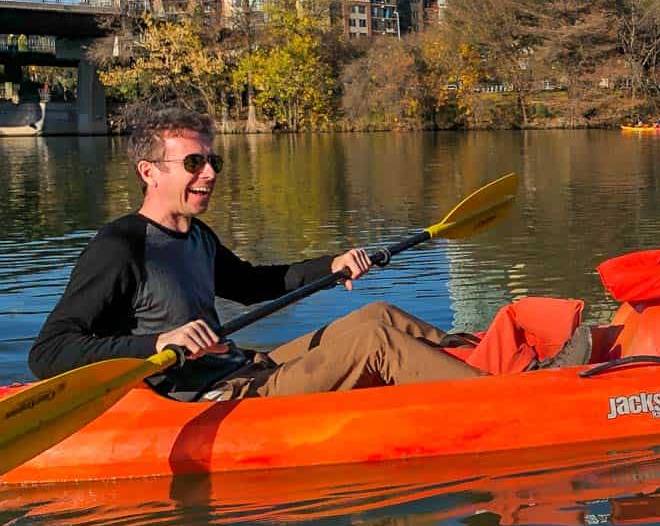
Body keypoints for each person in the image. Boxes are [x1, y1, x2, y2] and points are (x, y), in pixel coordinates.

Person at [28, 106, 485, 399]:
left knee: (377, 317)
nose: (209, 173)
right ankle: (501, 402)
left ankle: (488, 365)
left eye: (212, 162)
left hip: (244, 365)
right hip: (211, 397)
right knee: (375, 345)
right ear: (149, 172)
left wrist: (331, 265)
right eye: (193, 163)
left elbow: (252, 285)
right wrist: (158, 342)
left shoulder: (197, 235)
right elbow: (49, 353)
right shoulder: (120, 245)